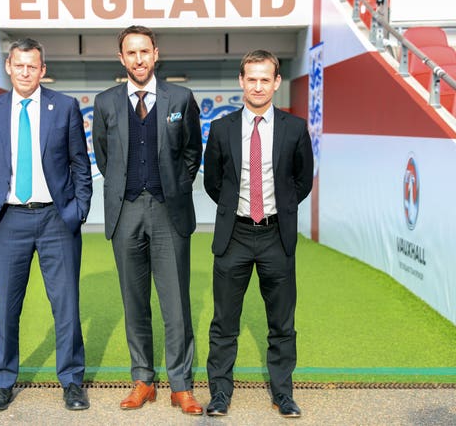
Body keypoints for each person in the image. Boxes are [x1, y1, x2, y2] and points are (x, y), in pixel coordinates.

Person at [0, 37, 92, 412]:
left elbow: (80, 166)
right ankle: (2, 382)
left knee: (66, 305)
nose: (25, 72)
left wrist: (76, 212)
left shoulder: (65, 107)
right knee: (7, 305)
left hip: (57, 219)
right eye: (18, 65)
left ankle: (72, 382)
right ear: (9, 67)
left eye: (32, 66)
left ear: (42, 69)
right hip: (9, 221)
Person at [92, 25, 203, 415]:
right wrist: (128, 190)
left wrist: (172, 188)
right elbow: (104, 158)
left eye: (144, 51)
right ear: (121, 59)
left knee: (176, 304)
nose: (138, 59)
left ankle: (181, 385)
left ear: (156, 53)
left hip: (168, 212)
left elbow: (192, 153)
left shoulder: (182, 98)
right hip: (125, 212)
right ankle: (143, 379)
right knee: (134, 302)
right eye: (131, 53)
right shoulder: (105, 103)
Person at [203, 50, 313, 418]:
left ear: (277, 82)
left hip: (275, 236)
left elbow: (301, 180)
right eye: (251, 78)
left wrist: (276, 209)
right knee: (224, 323)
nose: (258, 85)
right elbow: (213, 182)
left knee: (282, 322)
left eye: (265, 79)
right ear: (241, 81)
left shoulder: (295, 128)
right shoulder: (221, 129)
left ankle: (283, 394)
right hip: (233, 235)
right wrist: (239, 211)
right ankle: (219, 394)